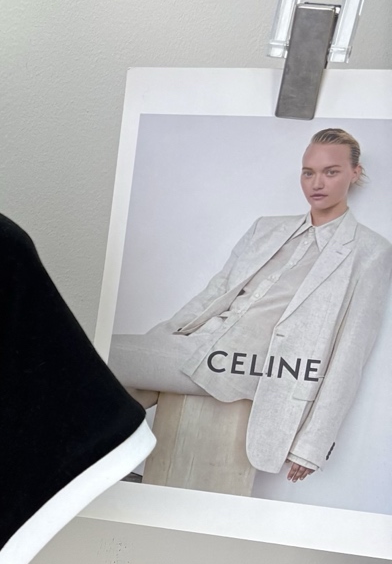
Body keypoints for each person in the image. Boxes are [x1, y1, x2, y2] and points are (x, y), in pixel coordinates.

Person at [110, 128, 392, 488]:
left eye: (331, 172)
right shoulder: (266, 228)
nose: (316, 183)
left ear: (355, 172)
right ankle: (109, 468)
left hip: (252, 367)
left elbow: (351, 353)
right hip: (200, 344)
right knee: (110, 378)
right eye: (308, 172)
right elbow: (216, 291)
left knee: (104, 353)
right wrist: (165, 337)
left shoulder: (369, 251)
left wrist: (312, 446)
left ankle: (100, 464)